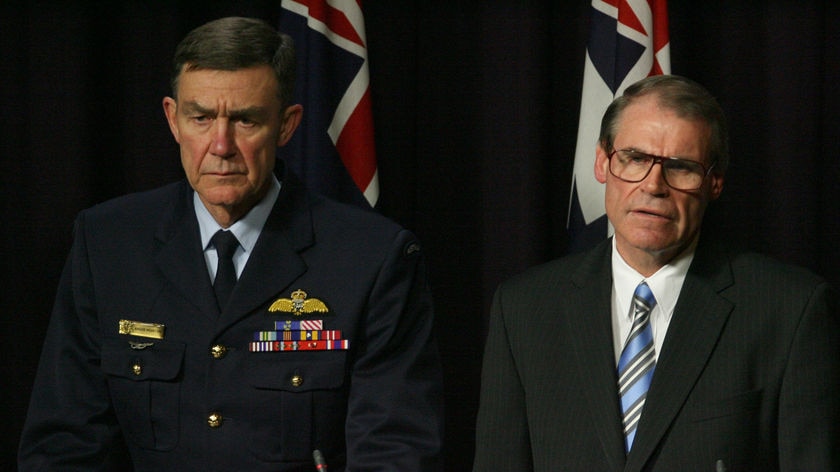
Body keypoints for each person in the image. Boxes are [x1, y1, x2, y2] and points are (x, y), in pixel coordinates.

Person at [19, 17, 443, 471]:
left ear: (286, 125)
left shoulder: (372, 258)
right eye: (200, 118)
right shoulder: (107, 244)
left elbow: (395, 454)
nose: (221, 145)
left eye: (245, 120)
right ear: (172, 119)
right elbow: (63, 447)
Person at [472, 75, 839, 471]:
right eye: (635, 158)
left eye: (680, 168)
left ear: (714, 183)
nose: (653, 185)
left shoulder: (790, 311)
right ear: (602, 161)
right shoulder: (524, 309)